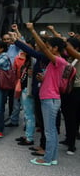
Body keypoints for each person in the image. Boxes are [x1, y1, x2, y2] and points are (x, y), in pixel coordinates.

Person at [26, 22, 67, 166]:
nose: (46, 49)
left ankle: (47, 159)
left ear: (55, 49)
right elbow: (53, 79)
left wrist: (32, 31)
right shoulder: (56, 63)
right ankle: (52, 157)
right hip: (51, 97)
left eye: (49, 47)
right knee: (52, 131)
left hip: (50, 99)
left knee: (49, 131)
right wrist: (43, 79)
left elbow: (42, 47)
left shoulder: (58, 60)